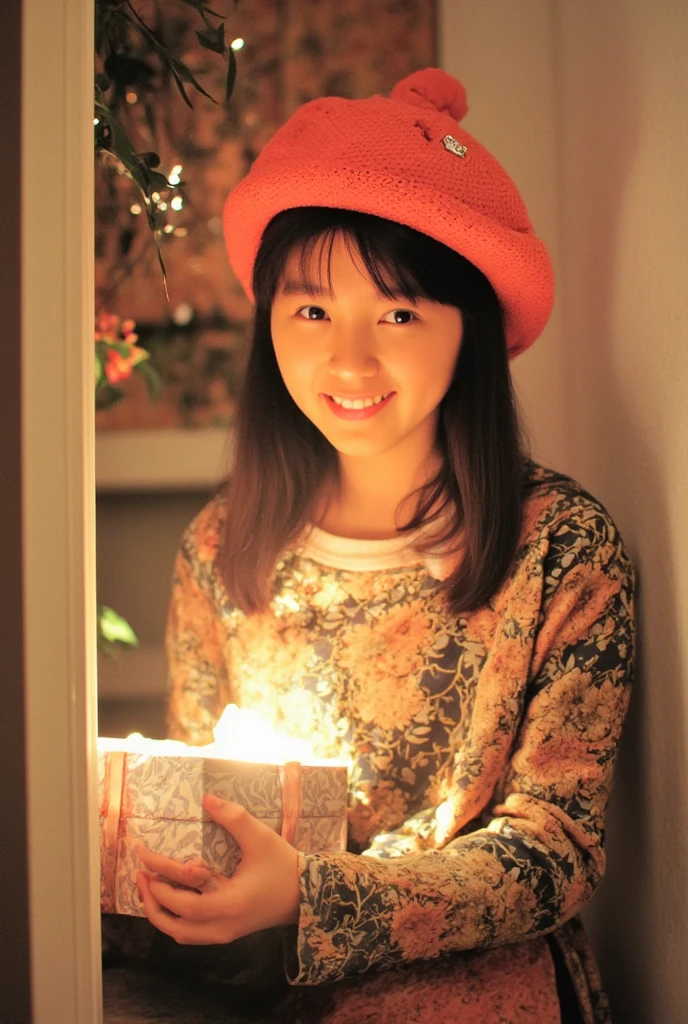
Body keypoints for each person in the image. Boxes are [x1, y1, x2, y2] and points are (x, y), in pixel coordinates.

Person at [136, 68, 635, 1024]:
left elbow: (555, 849)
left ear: (469, 331)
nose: (350, 360)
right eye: (311, 309)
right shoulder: (219, 547)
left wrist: (315, 896)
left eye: (399, 312)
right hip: (255, 980)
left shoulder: (561, 551)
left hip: (476, 990)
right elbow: (201, 800)